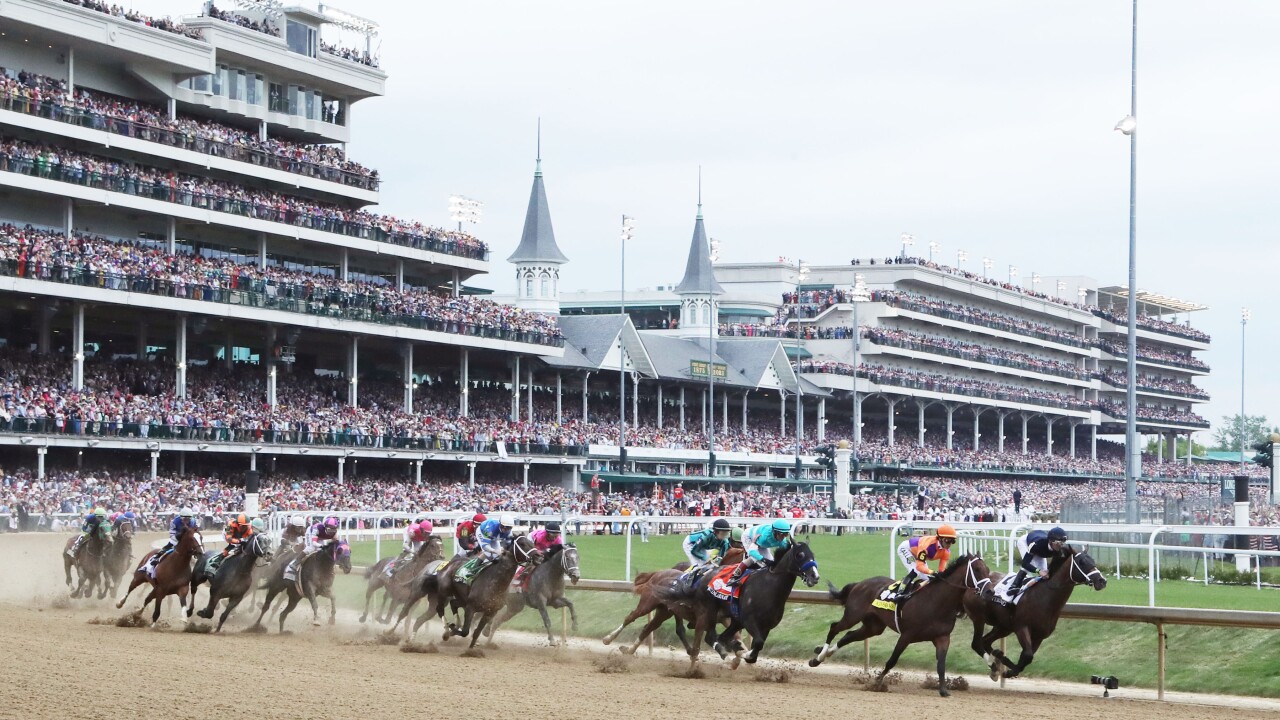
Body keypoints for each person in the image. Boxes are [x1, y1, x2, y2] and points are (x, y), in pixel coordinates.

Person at [893, 524, 957, 600]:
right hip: (906, 549)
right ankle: (899, 593)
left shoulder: (946, 552)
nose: (950, 544)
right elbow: (919, 566)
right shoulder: (927, 545)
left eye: (953, 541)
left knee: (927, 578)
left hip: (918, 553)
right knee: (915, 570)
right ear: (940, 538)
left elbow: (941, 570)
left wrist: (940, 575)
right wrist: (932, 572)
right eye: (948, 540)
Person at [1001, 526, 1068, 599]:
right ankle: (1014, 586)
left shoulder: (1058, 550)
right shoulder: (1037, 545)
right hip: (1025, 543)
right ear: (1051, 541)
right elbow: (1025, 564)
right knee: (1032, 564)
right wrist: (1038, 571)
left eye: (1062, 543)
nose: (1060, 546)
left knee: (1045, 574)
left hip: (1041, 550)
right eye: (1058, 543)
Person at [727, 519, 792, 586]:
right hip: (749, 537)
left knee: (771, 561)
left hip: (761, 544)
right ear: (774, 532)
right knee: (753, 558)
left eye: (786, 534)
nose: (783, 537)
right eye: (781, 534)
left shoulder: (782, 541)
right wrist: (764, 559)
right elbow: (752, 552)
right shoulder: (764, 538)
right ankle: (733, 577)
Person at [286, 516, 339, 580]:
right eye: (329, 530)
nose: (331, 532)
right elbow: (314, 543)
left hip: (320, 537)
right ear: (325, 527)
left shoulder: (335, 533)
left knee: (323, 552)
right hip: (311, 533)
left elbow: (336, 545)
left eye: (333, 530)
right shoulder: (317, 529)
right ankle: (295, 562)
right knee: (310, 548)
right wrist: (323, 546)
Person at [147, 507, 197, 573]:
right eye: (184, 519)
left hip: (188, 536)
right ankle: (157, 557)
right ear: (181, 517)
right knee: (171, 544)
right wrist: (178, 537)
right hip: (177, 535)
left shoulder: (193, 521)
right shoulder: (175, 522)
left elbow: (195, 531)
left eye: (188, 519)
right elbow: (172, 533)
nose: (186, 521)